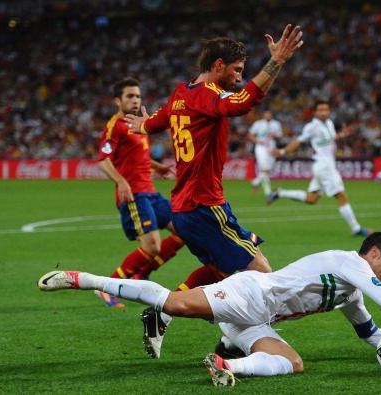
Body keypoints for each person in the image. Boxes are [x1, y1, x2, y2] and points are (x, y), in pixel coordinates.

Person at [38, 231, 381, 387]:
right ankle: (82, 279)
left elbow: (372, 335)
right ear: (372, 253)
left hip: (256, 319)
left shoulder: (351, 292)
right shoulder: (348, 262)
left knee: (292, 362)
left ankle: (227, 365)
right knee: (172, 301)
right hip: (251, 294)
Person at [122, 25, 304, 357]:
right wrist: (276, 61)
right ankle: (236, 342)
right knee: (264, 278)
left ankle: (169, 316)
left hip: (186, 208)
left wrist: (142, 125)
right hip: (205, 205)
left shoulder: (181, 93)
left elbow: (159, 120)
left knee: (226, 272)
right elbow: (242, 103)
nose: (239, 76)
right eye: (236, 70)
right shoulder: (207, 94)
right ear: (218, 65)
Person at [96, 77, 184, 308]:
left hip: (150, 192)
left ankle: (141, 275)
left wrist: (158, 167)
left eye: (138, 96)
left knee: (184, 230)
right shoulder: (115, 125)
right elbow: (103, 160)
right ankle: (107, 286)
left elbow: (139, 157)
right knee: (152, 246)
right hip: (134, 195)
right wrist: (121, 182)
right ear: (118, 100)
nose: (135, 100)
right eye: (130, 96)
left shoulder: (137, 125)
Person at [268, 100, 372, 237]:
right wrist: (282, 151)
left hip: (326, 165)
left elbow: (331, 139)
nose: (324, 112)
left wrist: (342, 135)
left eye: (326, 109)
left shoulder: (329, 123)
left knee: (312, 199)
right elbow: (298, 141)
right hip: (324, 166)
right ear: (315, 112)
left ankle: (280, 193)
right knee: (341, 195)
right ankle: (356, 228)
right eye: (321, 110)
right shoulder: (312, 127)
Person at [248, 109, 283, 198]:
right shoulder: (258, 124)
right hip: (261, 148)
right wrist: (256, 141)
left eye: (269, 114)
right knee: (265, 169)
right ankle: (268, 192)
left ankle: (255, 182)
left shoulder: (276, 124)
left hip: (272, 147)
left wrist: (276, 136)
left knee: (268, 169)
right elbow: (250, 134)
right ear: (263, 115)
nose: (268, 115)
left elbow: (280, 135)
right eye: (266, 114)